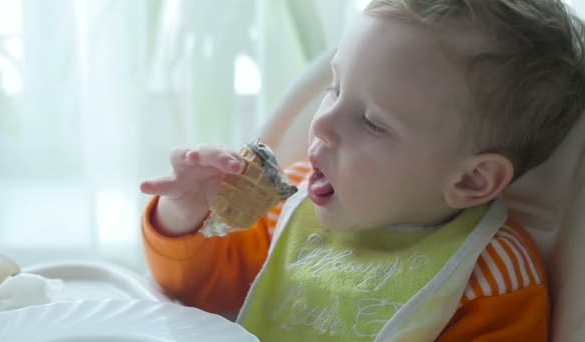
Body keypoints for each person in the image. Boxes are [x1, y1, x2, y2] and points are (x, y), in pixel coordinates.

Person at [140, 1, 585, 340]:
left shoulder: (491, 278)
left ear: (472, 179)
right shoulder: (291, 206)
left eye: (372, 121)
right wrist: (185, 214)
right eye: (334, 88)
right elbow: (202, 296)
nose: (322, 123)